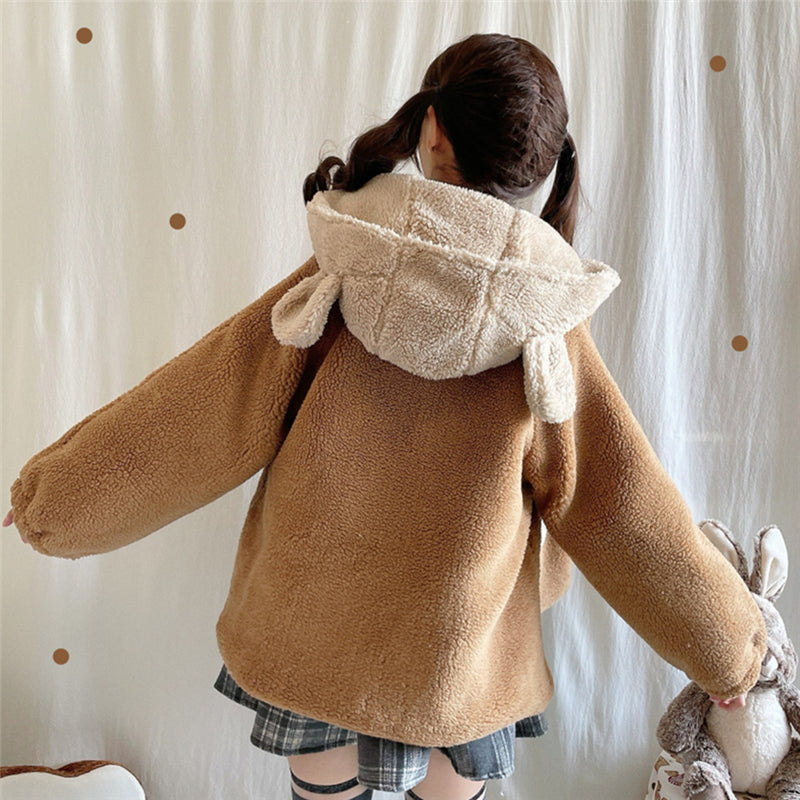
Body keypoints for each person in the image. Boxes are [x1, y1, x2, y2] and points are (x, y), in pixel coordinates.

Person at [5, 33, 765, 800]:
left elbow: (208, 405)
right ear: (545, 169)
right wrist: (727, 650)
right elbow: (619, 506)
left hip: (313, 640)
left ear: (431, 131)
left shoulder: (344, 267)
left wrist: (56, 500)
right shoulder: (548, 328)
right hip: (457, 668)